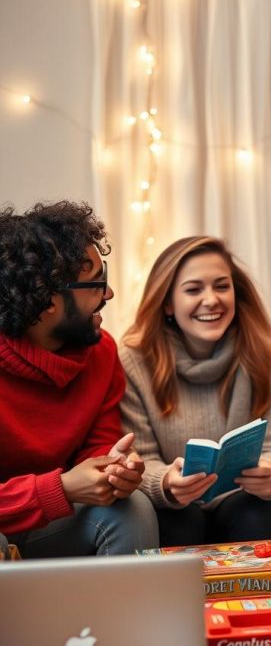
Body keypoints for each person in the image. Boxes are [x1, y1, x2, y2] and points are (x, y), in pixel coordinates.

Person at [0, 200, 159, 557]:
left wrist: (116, 468)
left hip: (52, 524)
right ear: (47, 299)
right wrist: (61, 488)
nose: (109, 293)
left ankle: (124, 615)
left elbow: (99, 444)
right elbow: (65, 488)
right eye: (96, 283)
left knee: (132, 509)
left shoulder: (101, 352)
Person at [119, 235, 271, 546]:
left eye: (221, 286)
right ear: (168, 302)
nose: (212, 299)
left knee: (254, 514)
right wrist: (167, 482)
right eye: (193, 289)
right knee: (179, 523)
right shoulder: (133, 361)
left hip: (243, 498)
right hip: (174, 504)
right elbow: (139, 457)